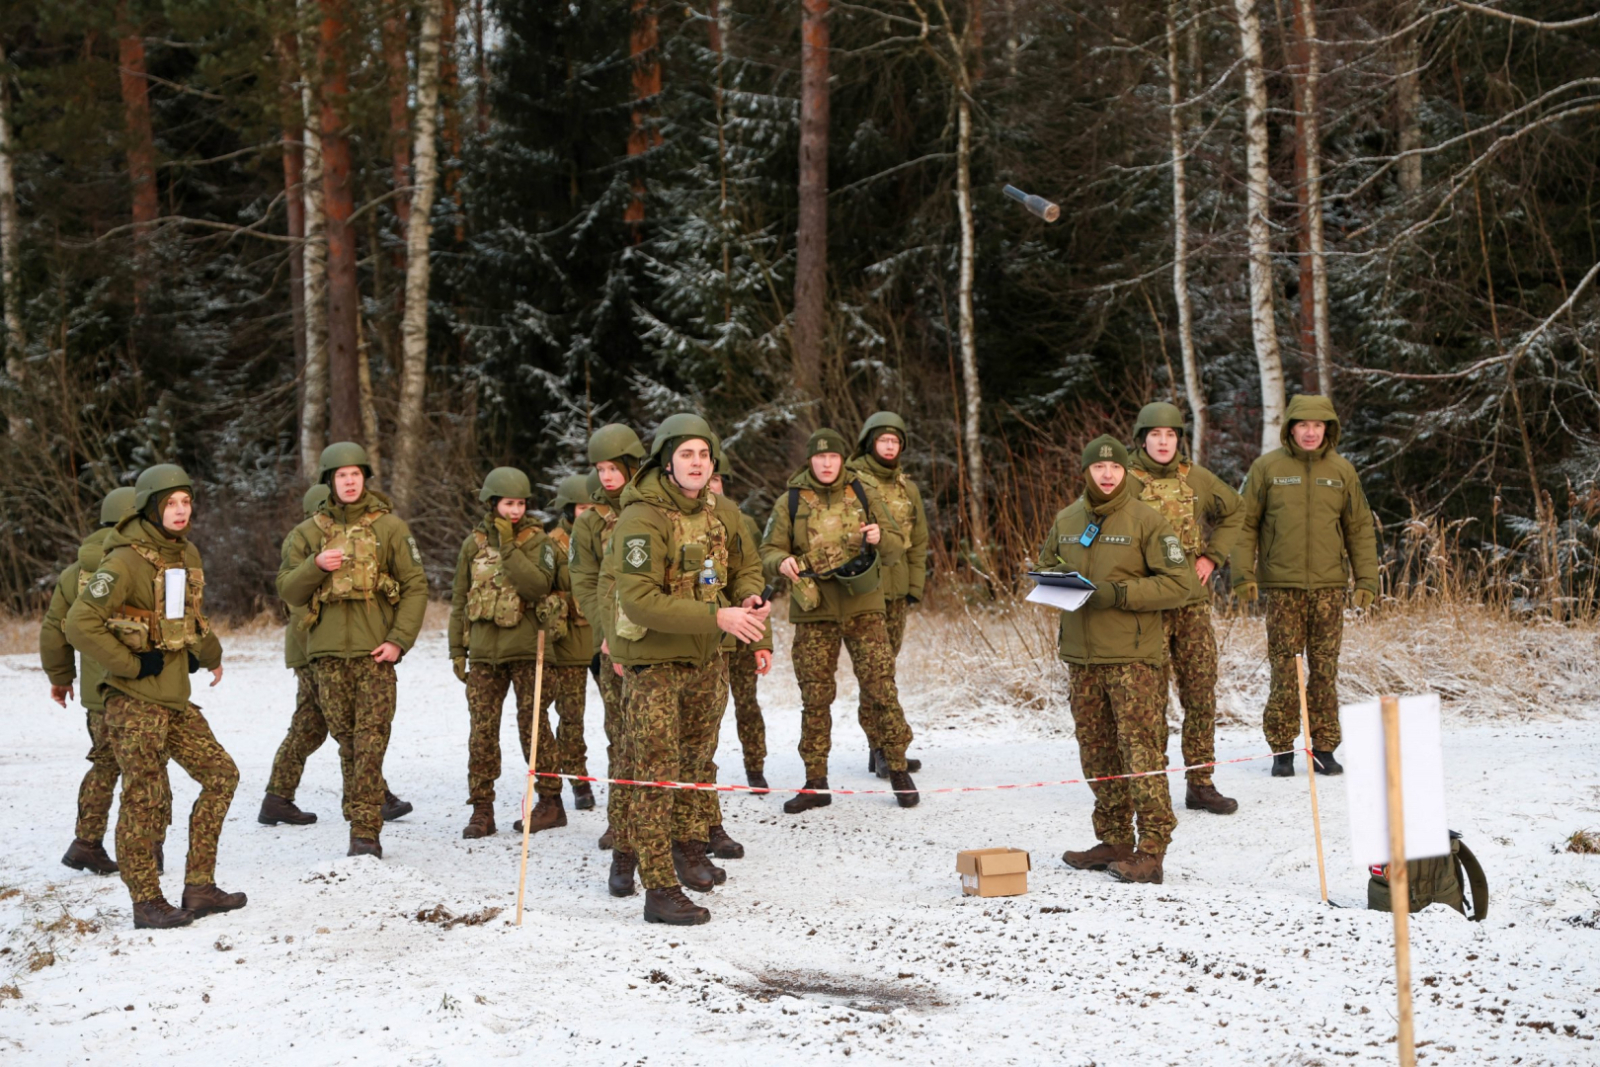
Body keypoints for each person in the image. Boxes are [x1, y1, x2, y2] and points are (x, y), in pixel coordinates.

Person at [65, 465, 245, 929]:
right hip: (132, 702)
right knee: (144, 797)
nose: (181, 510)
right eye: (170, 503)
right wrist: (130, 664)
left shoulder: (186, 553)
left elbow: (189, 614)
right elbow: (78, 623)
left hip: (173, 697)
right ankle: (146, 901)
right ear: (150, 508)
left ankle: (199, 886)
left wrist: (209, 655)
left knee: (222, 775)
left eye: (186, 501)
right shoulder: (124, 560)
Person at [606, 414, 768, 924]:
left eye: (704, 455)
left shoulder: (722, 511)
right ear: (667, 461)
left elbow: (746, 565)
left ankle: (689, 850)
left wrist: (749, 595)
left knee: (698, 766)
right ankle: (658, 889)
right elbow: (639, 601)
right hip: (654, 663)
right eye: (686, 455)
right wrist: (716, 616)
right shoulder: (641, 518)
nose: (697, 463)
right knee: (656, 775)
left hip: (706, 661)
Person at [1042, 436, 1199, 885]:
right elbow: (1046, 566)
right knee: (1097, 752)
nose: (1107, 475)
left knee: (1141, 752)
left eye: (1114, 468)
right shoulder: (1067, 519)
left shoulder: (1147, 520)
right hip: (1083, 657)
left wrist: (1119, 593)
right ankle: (1113, 840)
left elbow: (1180, 584)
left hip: (1133, 658)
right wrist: (1055, 578)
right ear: (1086, 472)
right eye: (1098, 468)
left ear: (1126, 472)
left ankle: (1151, 850)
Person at [275, 442, 427, 858]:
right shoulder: (306, 533)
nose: (349, 481)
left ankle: (364, 831)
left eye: (355, 474)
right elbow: (287, 590)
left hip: (374, 653)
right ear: (329, 480)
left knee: (370, 742)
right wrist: (315, 566)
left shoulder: (390, 528)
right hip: (326, 657)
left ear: (364, 479)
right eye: (341, 475)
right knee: (349, 743)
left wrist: (398, 640)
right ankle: (359, 817)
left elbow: (415, 586)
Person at [760, 427, 918, 813]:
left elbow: (897, 546)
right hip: (814, 612)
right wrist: (781, 561)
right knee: (815, 698)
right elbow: (767, 550)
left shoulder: (864, 492)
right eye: (820, 457)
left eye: (833, 457)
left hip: (864, 606)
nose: (827, 463)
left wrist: (881, 537)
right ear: (810, 460)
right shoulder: (791, 500)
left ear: (842, 459)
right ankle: (815, 782)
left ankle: (898, 769)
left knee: (882, 689)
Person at [1230, 394, 1379, 777]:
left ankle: (1324, 748)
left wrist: (1366, 578)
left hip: (1329, 587)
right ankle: (1282, 750)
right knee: (1285, 669)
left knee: (1325, 669)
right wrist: (1243, 573)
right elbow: (1244, 524)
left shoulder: (1342, 471)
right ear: (1290, 429)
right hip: (1283, 588)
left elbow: (1359, 528)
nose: (1310, 432)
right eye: (1303, 425)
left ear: (1328, 429)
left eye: (1318, 425)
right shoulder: (1267, 468)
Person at [259, 483, 413, 827]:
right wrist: (316, 658)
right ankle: (366, 797)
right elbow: (301, 608)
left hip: (320, 651)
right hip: (314, 654)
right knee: (331, 728)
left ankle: (281, 798)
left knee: (317, 726)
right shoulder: (306, 541)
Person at [42, 486, 173, 876]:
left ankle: (86, 844)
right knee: (149, 768)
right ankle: (147, 848)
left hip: (98, 695)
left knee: (104, 764)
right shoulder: (148, 563)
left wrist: (61, 677)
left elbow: (54, 630)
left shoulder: (75, 574)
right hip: (144, 688)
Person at [1126, 402, 1244, 815]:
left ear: (1179, 439)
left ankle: (1201, 783)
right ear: (1141, 439)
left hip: (1192, 604)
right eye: (1155, 435)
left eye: (1171, 435)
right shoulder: (1122, 480)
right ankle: (1150, 786)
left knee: (1200, 692)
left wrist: (1212, 556)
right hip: (1147, 608)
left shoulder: (1196, 477)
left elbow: (1236, 510)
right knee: (1147, 700)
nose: (1163, 442)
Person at [449, 466, 563, 838]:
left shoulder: (540, 542)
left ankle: (550, 801)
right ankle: (482, 809)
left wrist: (509, 545)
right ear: (492, 502)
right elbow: (459, 599)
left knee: (533, 727)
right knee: (481, 732)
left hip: (529, 649)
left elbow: (537, 586)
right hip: (484, 653)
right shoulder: (473, 543)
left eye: (520, 504)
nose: (514, 511)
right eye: (507, 504)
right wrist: (457, 649)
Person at [569, 423, 645, 852]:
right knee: (620, 734)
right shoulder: (589, 522)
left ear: (632, 465)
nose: (607, 477)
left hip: (658, 638)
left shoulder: (655, 506)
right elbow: (584, 582)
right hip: (611, 645)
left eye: (614, 467)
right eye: (600, 469)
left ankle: (682, 825)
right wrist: (604, 633)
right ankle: (622, 824)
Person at [845, 411, 928, 778]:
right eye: (883, 440)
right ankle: (882, 747)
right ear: (869, 442)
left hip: (897, 591)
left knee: (886, 670)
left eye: (896, 441)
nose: (890, 446)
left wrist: (914, 587)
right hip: (865, 589)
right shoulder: (852, 481)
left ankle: (882, 745)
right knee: (874, 673)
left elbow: (918, 541)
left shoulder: (908, 488)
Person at [704, 443, 770, 856]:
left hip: (742, 632)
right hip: (704, 634)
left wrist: (762, 640)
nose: (711, 485)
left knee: (747, 703)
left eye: (717, 478)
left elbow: (754, 582)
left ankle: (755, 766)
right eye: (707, 478)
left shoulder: (740, 522)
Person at [537, 474, 601, 811]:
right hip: (571, 641)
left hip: (604, 637)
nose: (588, 512)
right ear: (568, 509)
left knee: (620, 716)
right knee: (571, 716)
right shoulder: (552, 544)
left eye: (593, 506)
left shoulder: (609, 535)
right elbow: (542, 586)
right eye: (581, 507)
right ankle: (579, 781)